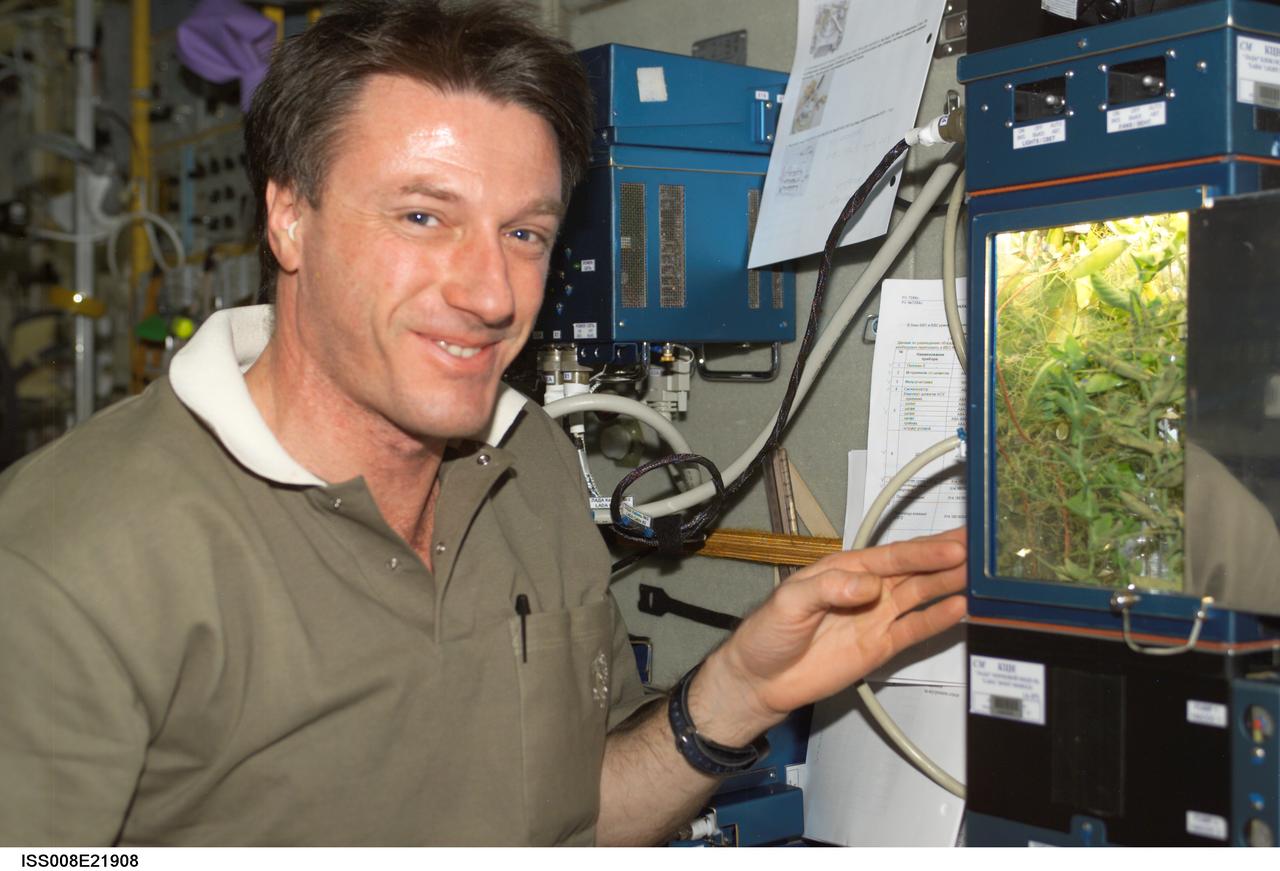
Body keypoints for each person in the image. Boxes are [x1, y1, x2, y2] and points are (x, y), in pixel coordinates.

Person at [0, 0, 966, 846]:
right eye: (424, 217)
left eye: (525, 234)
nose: (491, 291)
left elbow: (565, 821)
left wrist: (739, 694)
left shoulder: (532, 463)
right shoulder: (70, 555)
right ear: (288, 218)